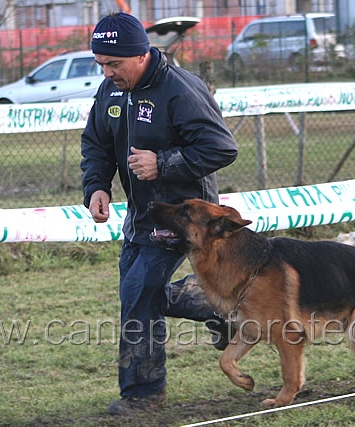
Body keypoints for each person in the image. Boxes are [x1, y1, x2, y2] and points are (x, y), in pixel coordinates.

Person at [80, 12, 238, 415]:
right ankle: (223, 307)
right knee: (138, 293)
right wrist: (96, 186)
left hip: (183, 217)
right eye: (100, 64)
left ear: (140, 55)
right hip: (140, 215)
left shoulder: (179, 90)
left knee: (139, 294)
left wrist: (163, 163)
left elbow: (222, 148)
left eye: (113, 64)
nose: (107, 72)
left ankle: (144, 394)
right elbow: (96, 143)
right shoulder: (110, 92)